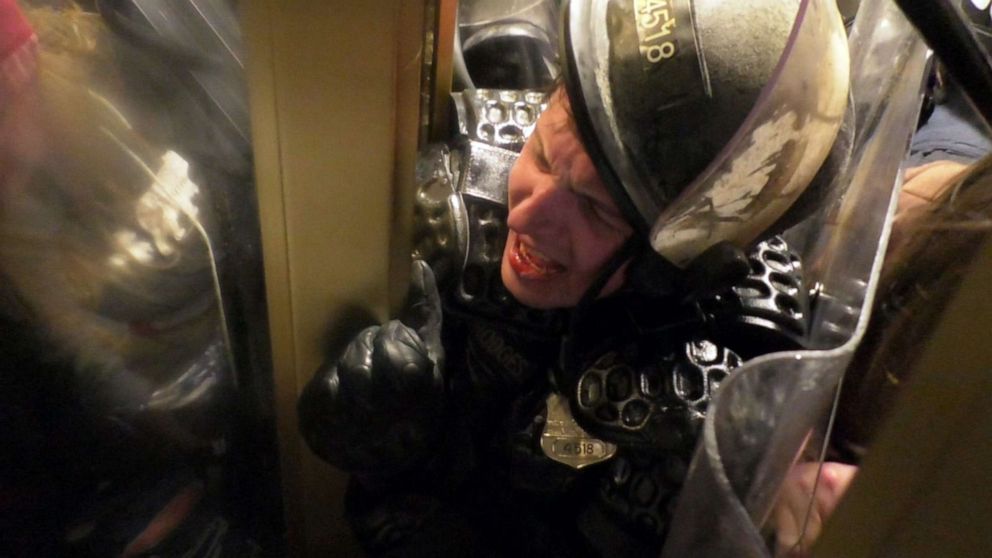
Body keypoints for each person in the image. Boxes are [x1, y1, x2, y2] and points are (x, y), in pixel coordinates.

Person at [298, 0, 852, 556]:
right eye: (541, 154)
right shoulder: (458, 196)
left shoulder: (691, 406)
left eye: (595, 210)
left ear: (680, 265)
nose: (522, 217)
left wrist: (409, 472)